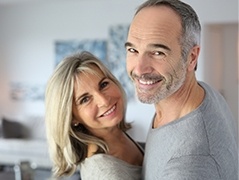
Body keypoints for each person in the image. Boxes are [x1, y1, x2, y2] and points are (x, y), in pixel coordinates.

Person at [125, 0, 238, 179]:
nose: (139, 69)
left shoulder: (191, 165)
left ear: (191, 57)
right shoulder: (201, 93)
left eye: (158, 53)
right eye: (133, 50)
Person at [45, 51, 144, 180]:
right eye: (85, 99)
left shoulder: (118, 137)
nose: (103, 101)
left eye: (103, 85)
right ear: (71, 117)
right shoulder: (103, 173)